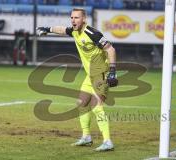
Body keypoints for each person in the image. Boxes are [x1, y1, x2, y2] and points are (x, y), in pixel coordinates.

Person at [36, 8, 118, 151]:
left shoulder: (92, 33)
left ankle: (107, 141)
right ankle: (86, 137)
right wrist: (47, 29)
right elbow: (62, 30)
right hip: (90, 74)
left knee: (97, 107)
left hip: (101, 73)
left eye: (77, 18)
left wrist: (112, 71)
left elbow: (110, 49)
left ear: (84, 19)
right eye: (72, 17)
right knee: (81, 103)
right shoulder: (74, 31)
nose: (73, 20)